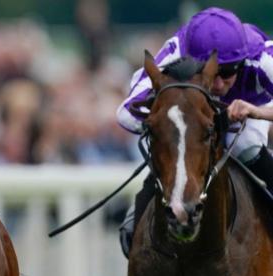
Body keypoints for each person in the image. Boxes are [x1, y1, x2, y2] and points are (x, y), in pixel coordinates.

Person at [116, 7, 273, 258]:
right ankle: (139, 216)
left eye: (229, 72)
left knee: (246, 144)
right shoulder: (175, 52)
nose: (219, 85)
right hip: (193, 115)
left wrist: (256, 111)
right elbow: (124, 113)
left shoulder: (263, 59)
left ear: (241, 62)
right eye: (211, 72)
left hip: (253, 105)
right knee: (178, 141)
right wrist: (168, 120)